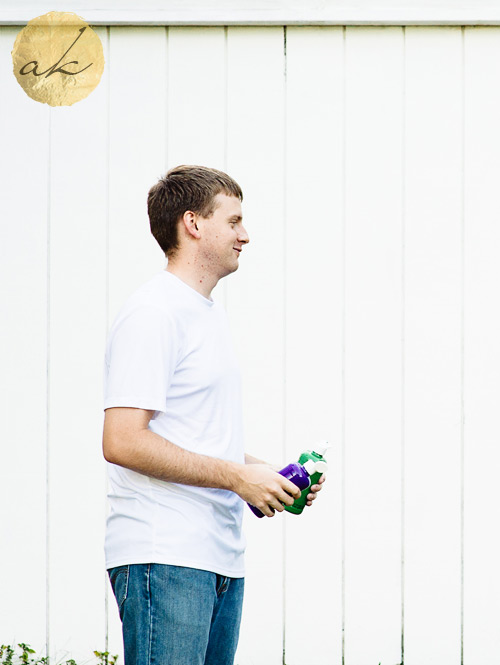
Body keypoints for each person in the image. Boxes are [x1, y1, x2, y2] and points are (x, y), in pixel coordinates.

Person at [102, 165, 323, 665]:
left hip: (217, 555)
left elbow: (192, 435)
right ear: (193, 224)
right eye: (235, 221)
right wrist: (236, 477)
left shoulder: (205, 313)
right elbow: (122, 441)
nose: (246, 235)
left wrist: (264, 475)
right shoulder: (153, 313)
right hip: (166, 554)